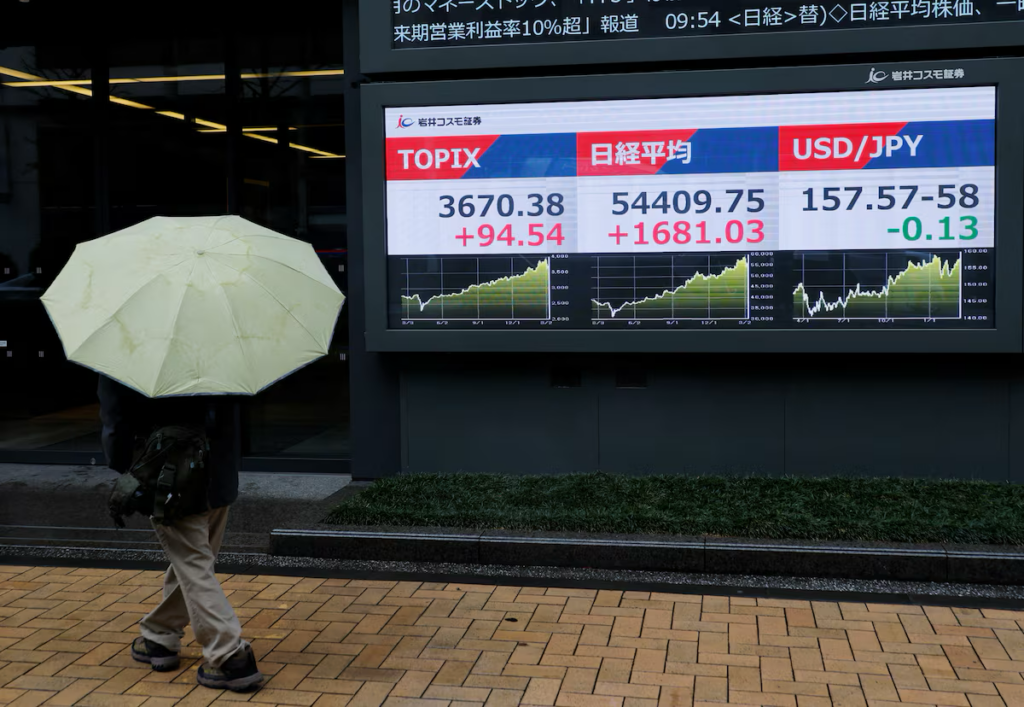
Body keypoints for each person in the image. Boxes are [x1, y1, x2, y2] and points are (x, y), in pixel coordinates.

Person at [97, 374, 263, 692]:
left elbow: (116, 422)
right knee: (193, 562)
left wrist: (127, 468)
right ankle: (160, 633)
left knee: (194, 565)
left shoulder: (130, 355)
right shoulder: (219, 352)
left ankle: (230, 655)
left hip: (168, 475)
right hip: (218, 472)